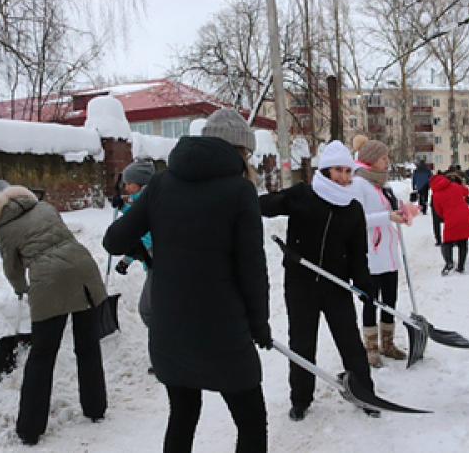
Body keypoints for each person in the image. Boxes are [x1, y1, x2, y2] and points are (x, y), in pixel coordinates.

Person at [103, 108, 271, 453]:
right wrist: (259, 325)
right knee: (251, 420)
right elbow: (252, 270)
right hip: (223, 334)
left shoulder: (162, 182)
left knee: (182, 415)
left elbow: (114, 241)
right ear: (241, 150)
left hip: (170, 330)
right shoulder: (240, 192)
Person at [0, 180, 107, 446]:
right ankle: (95, 408)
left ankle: (29, 429)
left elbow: (12, 269)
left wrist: (21, 289)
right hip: (85, 269)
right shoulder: (45, 207)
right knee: (88, 345)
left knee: (42, 355)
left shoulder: (4, 228)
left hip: (49, 282)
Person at [260, 140, 379, 421]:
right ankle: (300, 399)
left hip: (335, 285)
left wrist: (363, 283)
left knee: (349, 340)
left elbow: (357, 254)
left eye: (348, 171)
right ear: (325, 171)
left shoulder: (352, 208)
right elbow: (265, 205)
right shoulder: (303, 195)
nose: (345, 177)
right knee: (302, 342)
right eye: (338, 170)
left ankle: (365, 393)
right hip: (300, 283)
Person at [352, 139, 408, 367]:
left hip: (389, 255)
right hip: (371, 256)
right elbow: (356, 220)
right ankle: (371, 348)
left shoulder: (383, 185)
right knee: (370, 301)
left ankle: (388, 343)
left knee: (390, 300)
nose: (387, 161)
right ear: (371, 160)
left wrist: (404, 211)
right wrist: (387, 217)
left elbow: (390, 210)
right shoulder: (358, 184)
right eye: (383, 157)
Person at [111, 159, 155, 328]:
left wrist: (126, 259)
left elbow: (143, 237)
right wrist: (123, 207)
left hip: (158, 266)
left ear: (141, 184)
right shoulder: (147, 200)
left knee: (148, 311)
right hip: (155, 265)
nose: (126, 188)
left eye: (129, 184)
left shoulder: (149, 203)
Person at [429, 173, 469, 275]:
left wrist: (445, 217)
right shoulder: (454, 186)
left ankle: (449, 262)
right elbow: (467, 192)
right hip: (465, 216)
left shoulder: (436, 195)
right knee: (463, 242)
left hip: (451, 219)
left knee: (447, 242)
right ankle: (461, 266)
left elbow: (438, 211)